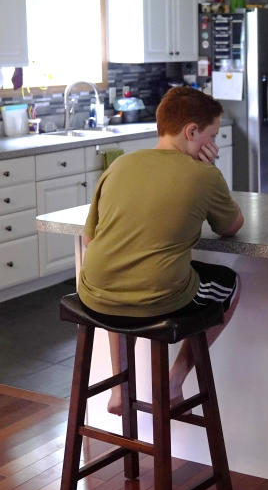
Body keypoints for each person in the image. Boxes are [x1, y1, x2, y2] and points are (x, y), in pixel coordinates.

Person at [78, 87, 244, 414]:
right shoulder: (203, 174)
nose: (214, 144)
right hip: (158, 300)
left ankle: (120, 389)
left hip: (93, 294)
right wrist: (211, 169)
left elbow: (89, 239)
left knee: (120, 280)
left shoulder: (121, 165)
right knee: (232, 285)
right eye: (212, 136)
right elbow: (231, 226)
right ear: (191, 131)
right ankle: (173, 381)